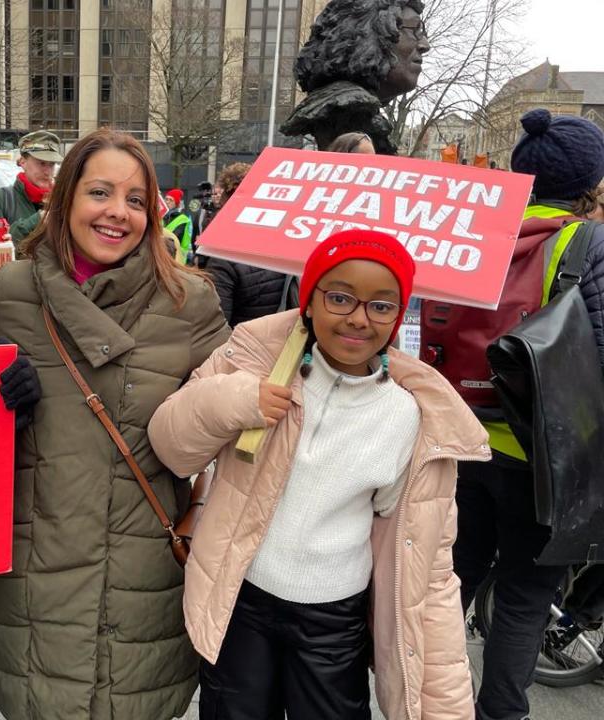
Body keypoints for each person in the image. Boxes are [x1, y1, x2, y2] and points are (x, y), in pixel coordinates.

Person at [148, 228, 489, 719]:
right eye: (340, 297)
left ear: (398, 317)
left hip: (335, 620)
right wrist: (238, 398)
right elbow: (171, 445)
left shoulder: (408, 416)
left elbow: (426, 564)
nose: (358, 318)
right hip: (241, 600)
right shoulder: (254, 362)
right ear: (309, 301)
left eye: (381, 305)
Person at [0, 128, 229, 720]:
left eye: (136, 200)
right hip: (37, 576)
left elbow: (231, 438)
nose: (117, 213)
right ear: (65, 199)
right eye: (100, 192)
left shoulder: (190, 302)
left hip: (145, 577)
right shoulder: (10, 294)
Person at [451, 109, 604, 720]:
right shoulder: (587, 243)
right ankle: (499, 714)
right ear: (588, 178)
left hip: (462, 440)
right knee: (522, 599)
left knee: (449, 584)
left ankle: (418, 698)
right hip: (543, 457)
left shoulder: (478, 233)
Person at [283, 0, 430, 154]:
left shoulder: (362, 114)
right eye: (415, 30)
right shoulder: (347, 111)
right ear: (372, 32)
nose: (424, 45)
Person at [205, 163, 299, 324]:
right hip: (282, 343)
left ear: (227, 202)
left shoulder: (224, 255)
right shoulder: (285, 245)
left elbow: (217, 325)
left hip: (240, 344)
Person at [0, 130, 62, 244]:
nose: (47, 172)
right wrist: (37, 220)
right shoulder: (0, 200)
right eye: (41, 163)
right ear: (23, 162)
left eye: (52, 164)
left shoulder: (62, 201)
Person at [163, 188, 194, 263]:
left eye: (171, 200)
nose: (167, 202)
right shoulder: (162, 217)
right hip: (163, 256)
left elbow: (174, 238)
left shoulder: (183, 219)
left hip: (177, 258)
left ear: (176, 203)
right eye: (166, 199)